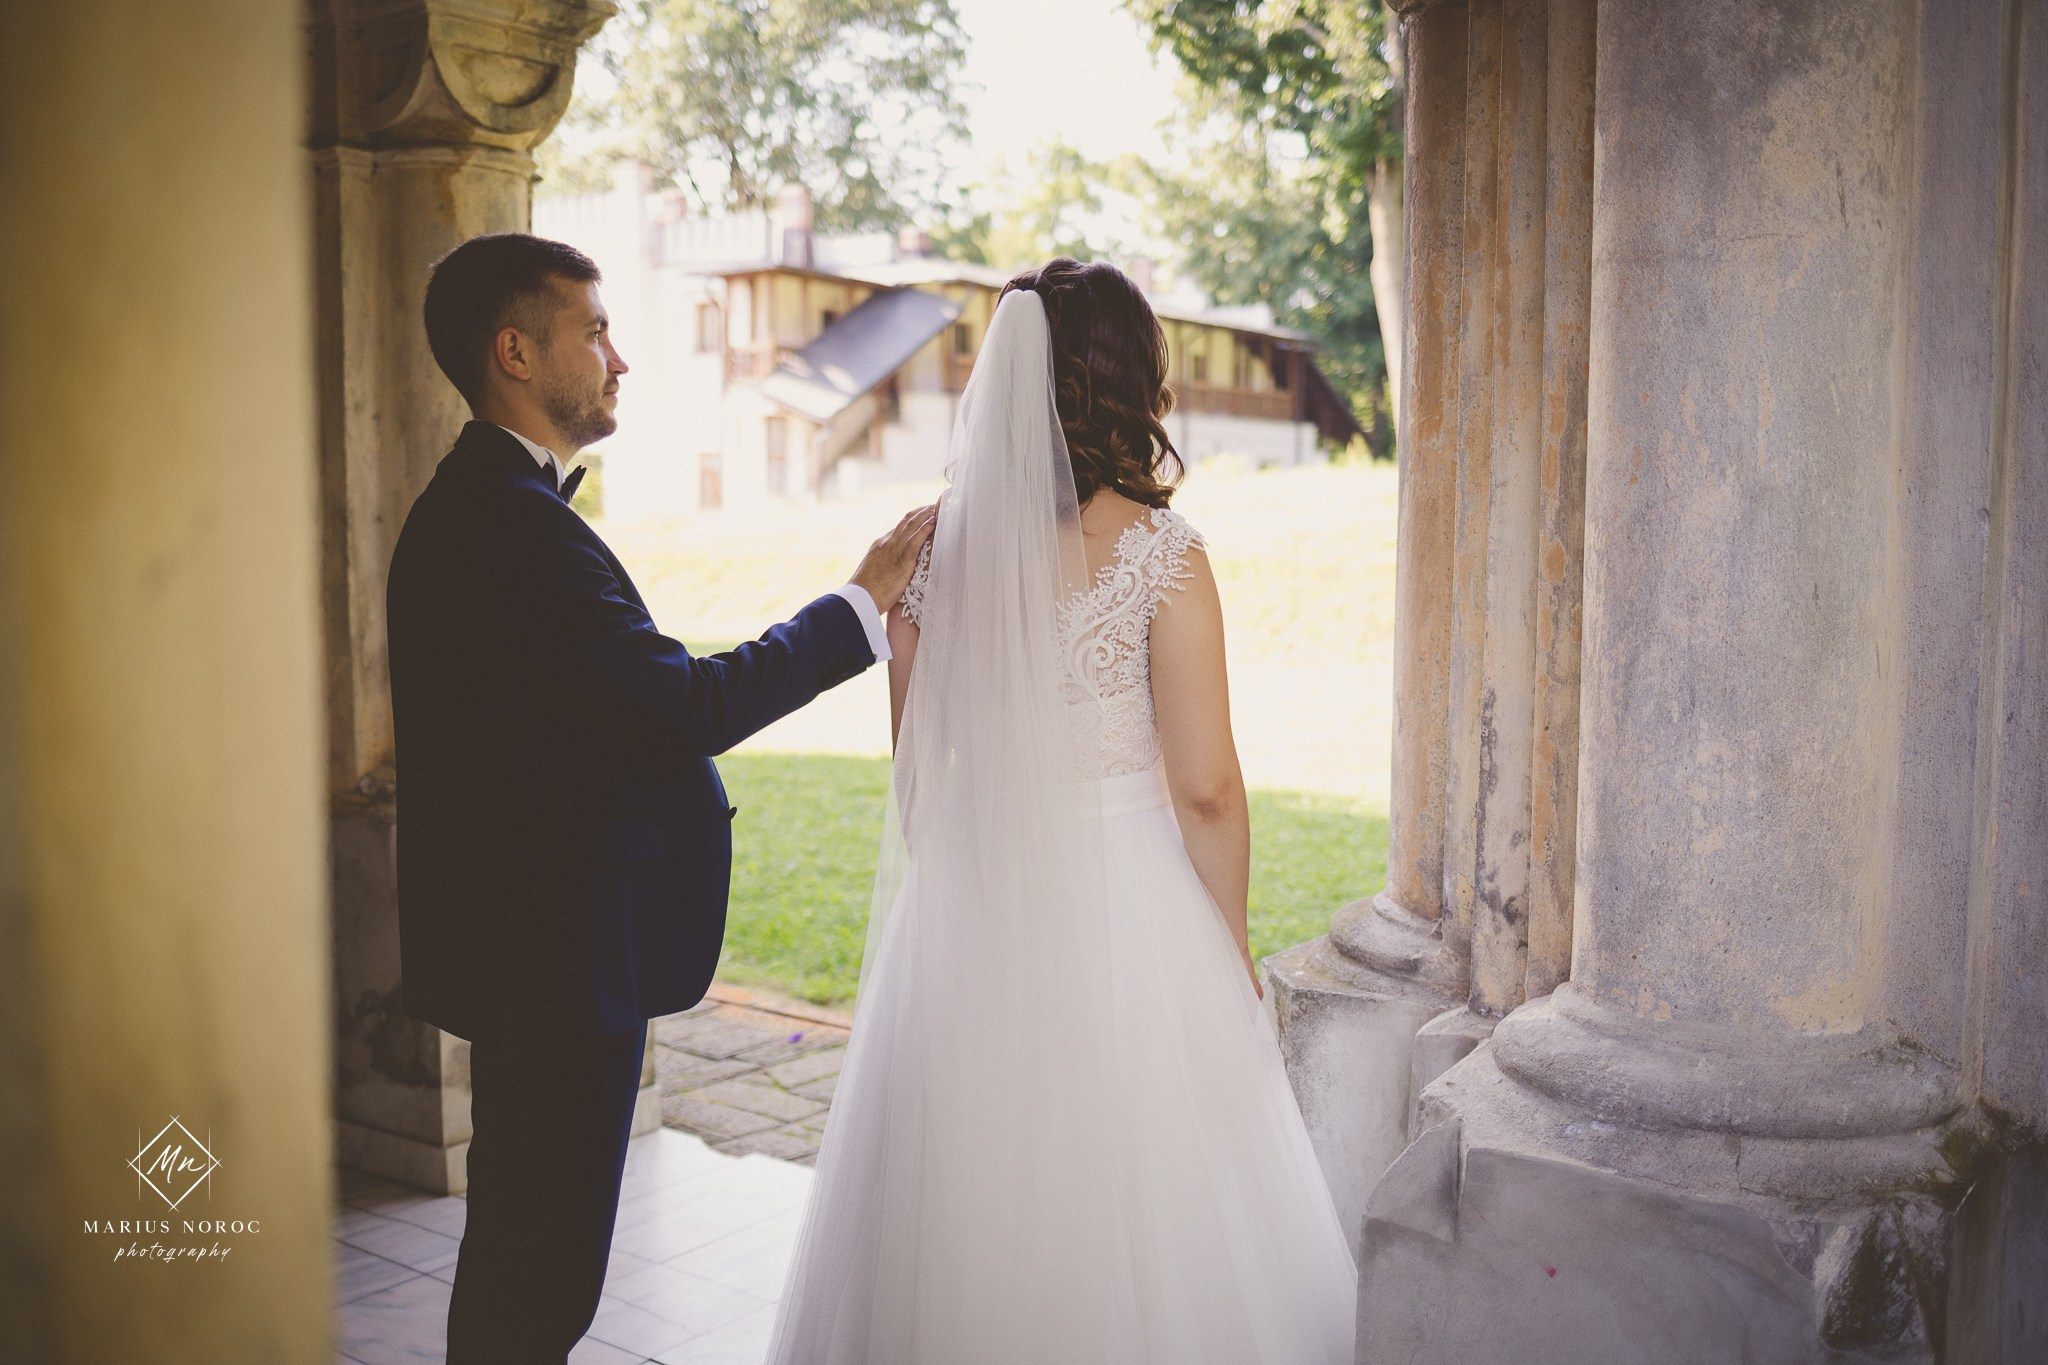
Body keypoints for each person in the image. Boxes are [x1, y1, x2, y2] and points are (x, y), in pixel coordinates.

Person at [766, 260, 1357, 1363]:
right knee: (1143, 1204)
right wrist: (1223, 942)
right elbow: (1205, 786)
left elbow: (917, 777)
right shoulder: (1162, 558)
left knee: (966, 1199)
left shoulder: (930, 556)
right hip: (1126, 910)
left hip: (972, 910)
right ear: (1135, 385)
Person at [383, 232, 933, 1365]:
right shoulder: (510, 525)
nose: (620, 358)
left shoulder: (490, 509)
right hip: (553, 957)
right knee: (536, 1279)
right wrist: (854, 606)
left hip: (533, 944)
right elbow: (683, 705)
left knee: (523, 1261)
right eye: (594, 330)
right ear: (515, 352)